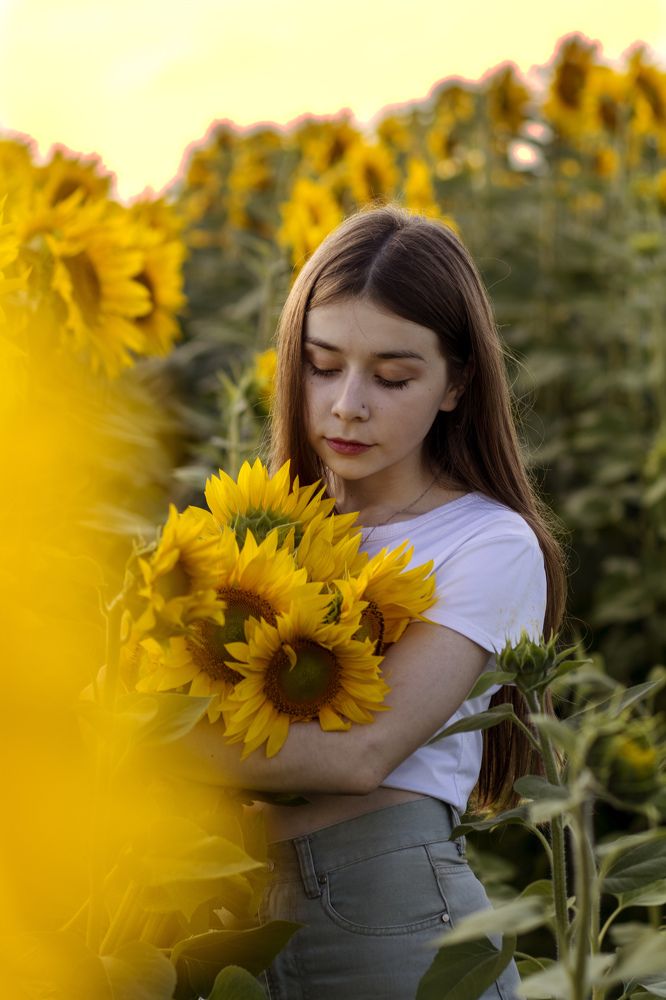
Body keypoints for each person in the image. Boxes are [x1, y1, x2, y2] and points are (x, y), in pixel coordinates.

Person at [172, 203, 567, 999]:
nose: (348, 404)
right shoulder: (261, 526)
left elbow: (361, 755)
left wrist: (135, 750)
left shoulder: (488, 542)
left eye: (392, 378)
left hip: (392, 916)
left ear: (457, 383)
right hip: (228, 909)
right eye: (322, 366)